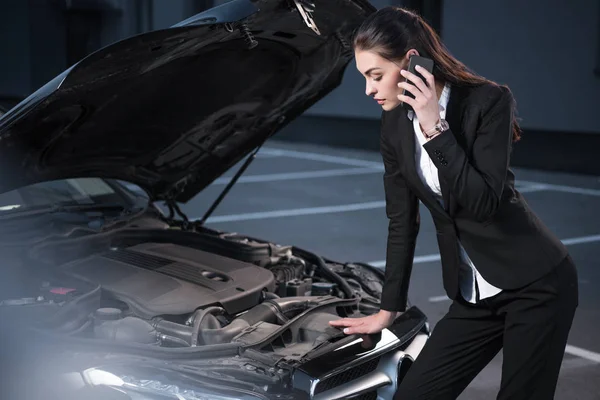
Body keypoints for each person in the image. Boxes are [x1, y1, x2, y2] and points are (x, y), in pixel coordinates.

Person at [328, 6, 579, 400]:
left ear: (411, 62)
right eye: (365, 78)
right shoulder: (393, 124)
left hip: (536, 285)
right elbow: (401, 219)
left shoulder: (487, 102)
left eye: (376, 76)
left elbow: (481, 202)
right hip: (475, 297)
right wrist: (387, 308)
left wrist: (434, 127)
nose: (369, 90)